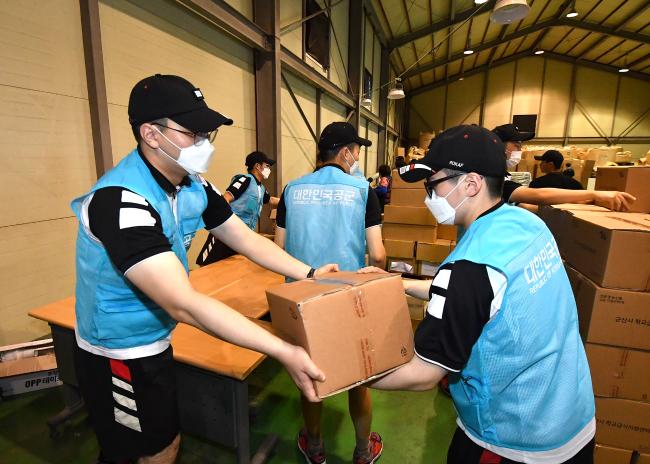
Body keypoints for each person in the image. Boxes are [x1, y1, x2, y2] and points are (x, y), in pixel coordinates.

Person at [70, 74, 338, 464]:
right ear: (151, 134)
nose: (203, 143)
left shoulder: (193, 184)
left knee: (161, 443)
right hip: (118, 348)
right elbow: (185, 304)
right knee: (144, 451)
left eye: (207, 133)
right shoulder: (120, 202)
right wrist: (283, 349)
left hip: (155, 336)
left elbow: (245, 239)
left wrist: (310, 274)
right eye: (193, 133)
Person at [364, 125, 596, 464]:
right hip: (571, 416)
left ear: (470, 184)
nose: (429, 197)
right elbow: (489, 299)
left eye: (433, 185)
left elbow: (423, 373)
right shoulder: (526, 225)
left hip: (515, 440)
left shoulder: (469, 268)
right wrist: (395, 284)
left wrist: (344, 376)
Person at [274, 121, 386, 464]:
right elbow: (378, 255)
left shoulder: (291, 190)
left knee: (309, 378)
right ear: (345, 152)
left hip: (302, 302)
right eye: (356, 150)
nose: (356, 157)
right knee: (358, 378)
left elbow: (279, 252)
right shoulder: (362, 191)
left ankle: (316, 447)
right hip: (346, 301)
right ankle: (363, 450)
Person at [492, 123, 635, 211]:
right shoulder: (492, 178)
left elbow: (522, 206)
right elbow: (539, 195)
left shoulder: (503, 174)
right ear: (500, 145)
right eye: (516, 145)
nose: (520, 149)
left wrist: (583, 203)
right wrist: (594, 194)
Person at [196, 150, 279, 265]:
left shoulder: (261, 188)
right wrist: (222, 223)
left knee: (228, 265)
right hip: (227, 231)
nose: (268, 169)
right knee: (209, 263)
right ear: (257, 166)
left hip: (243, 235)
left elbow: (270, 200)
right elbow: (226, 197)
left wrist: (287, 200)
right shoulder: (245, 179)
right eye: (267, 166)